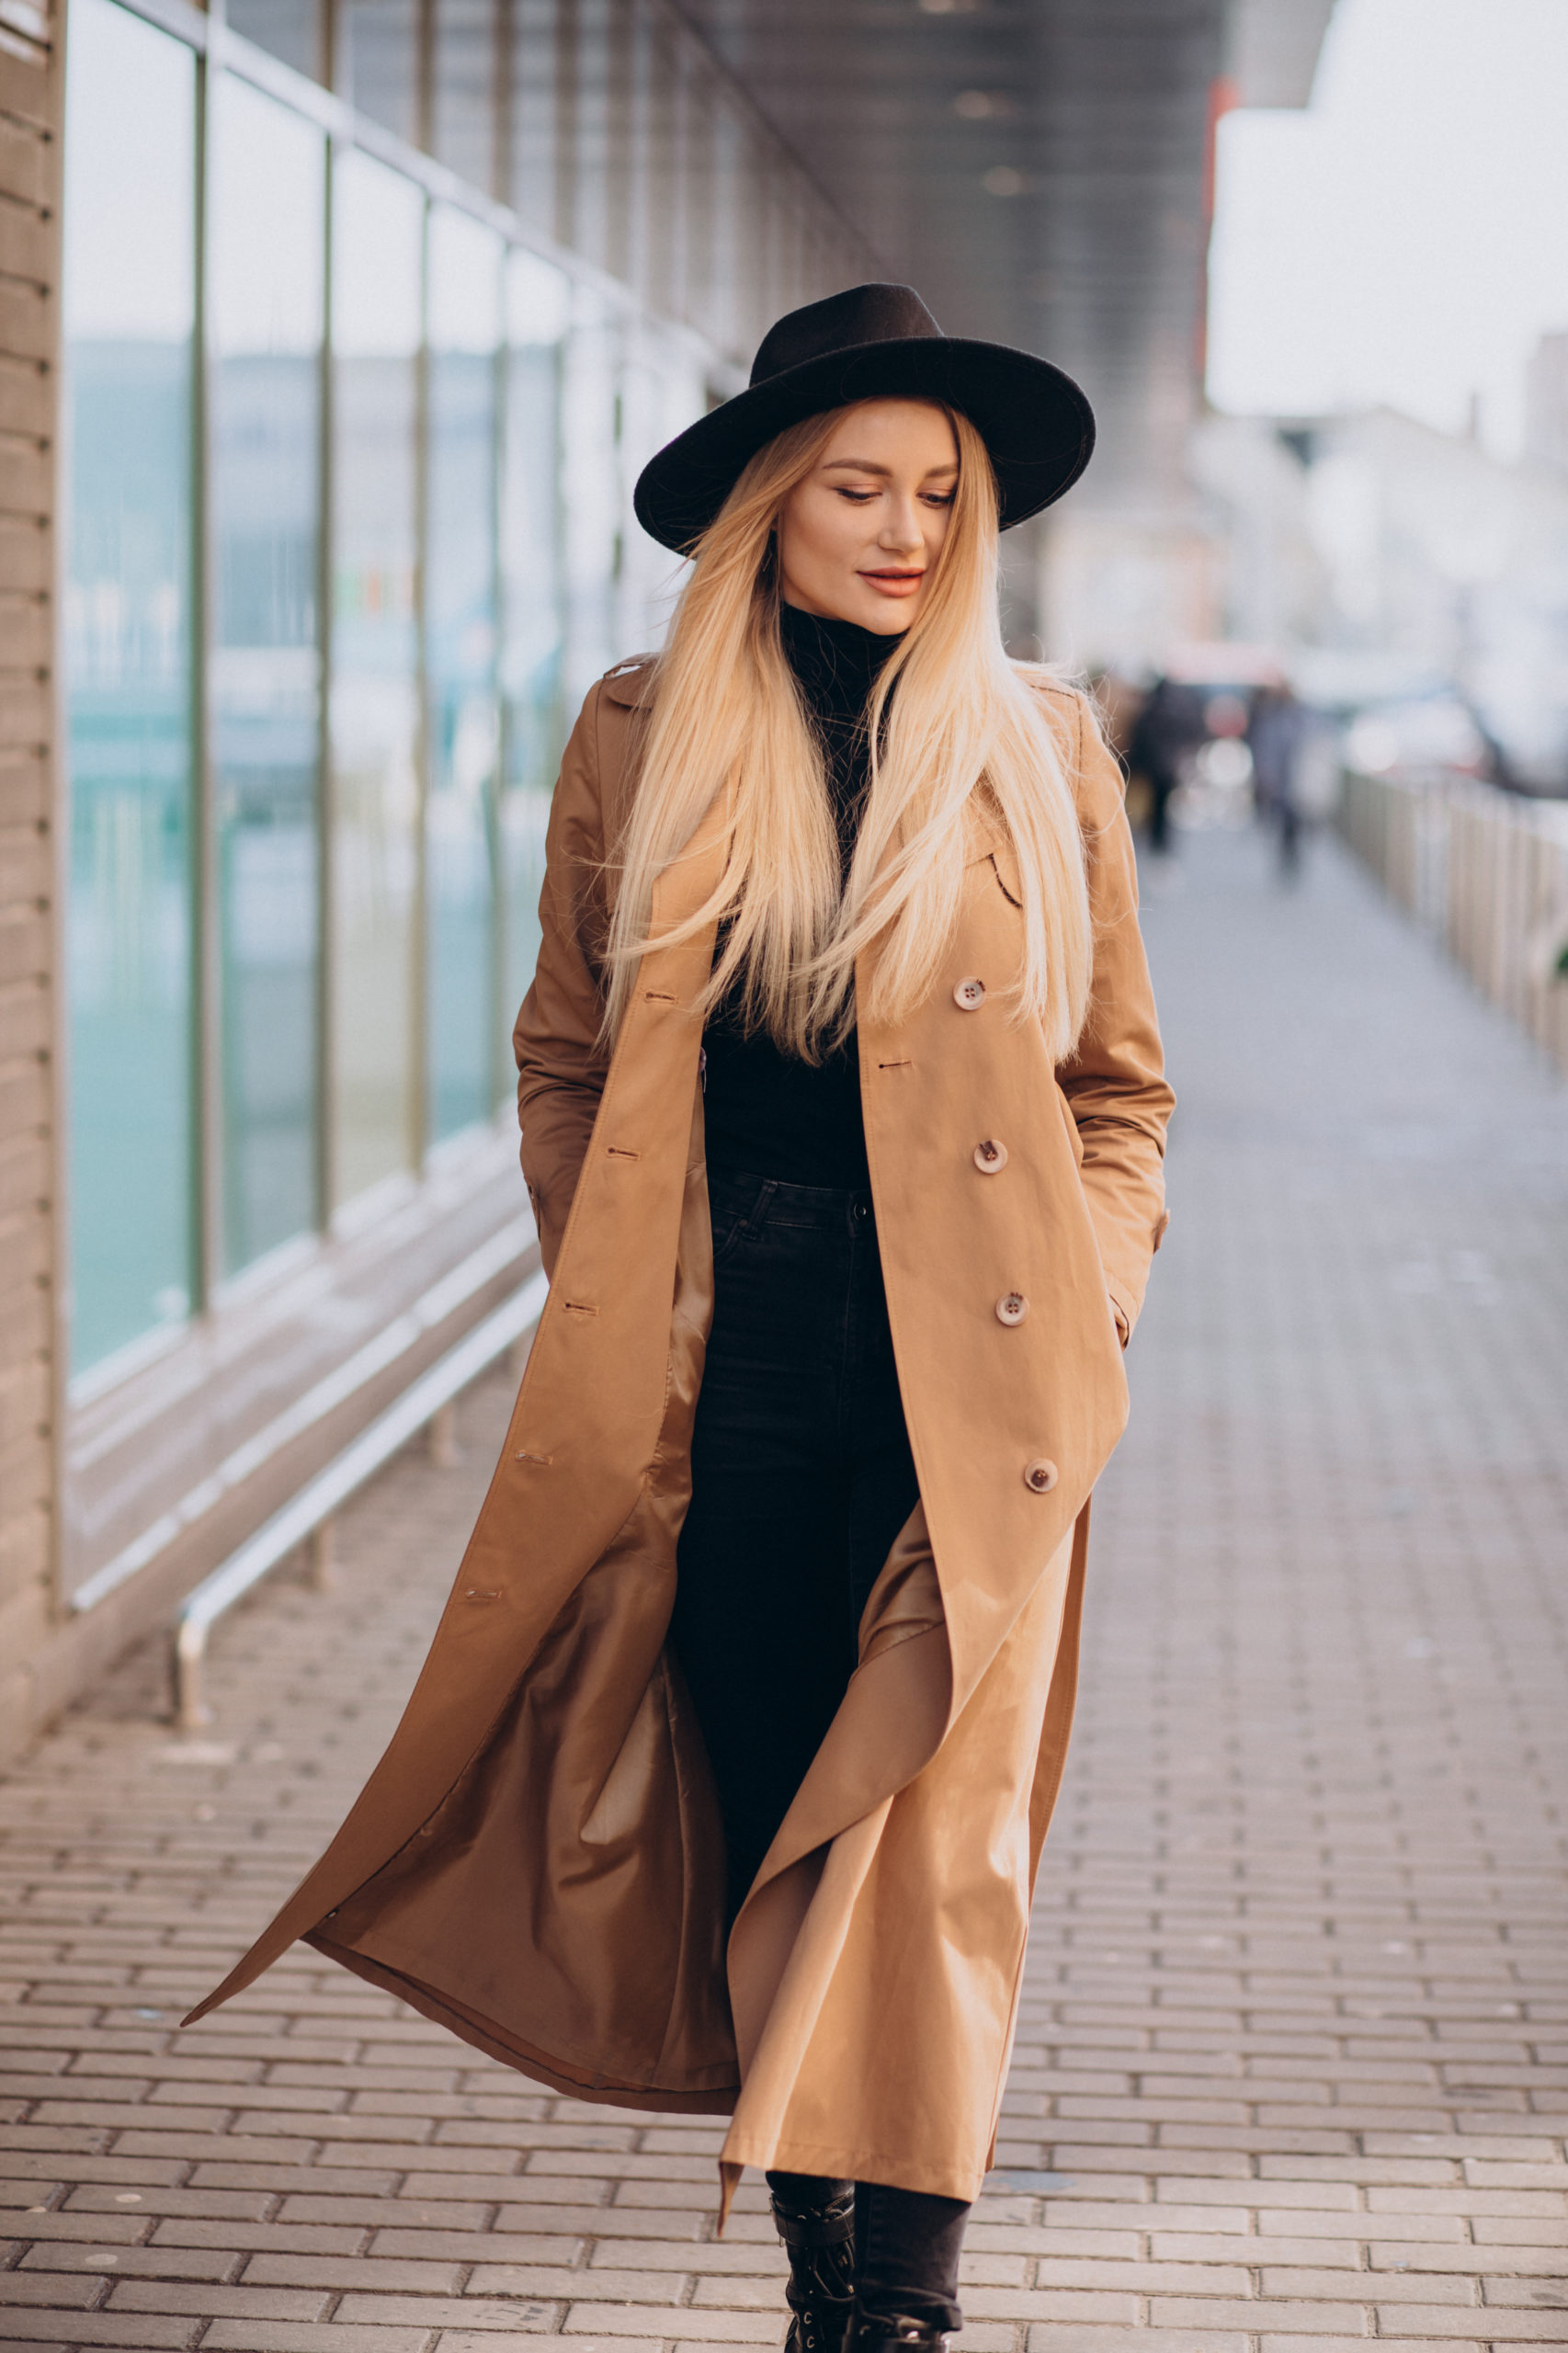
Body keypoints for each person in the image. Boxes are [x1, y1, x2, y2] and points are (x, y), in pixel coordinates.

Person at [184, 284, 1175, 2353]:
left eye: (938, 494)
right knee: (771, 1799)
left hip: (979, 1370)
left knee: (931, 1830)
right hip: (723, 1366)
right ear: (769, 501)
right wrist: (608, 1268)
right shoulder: (642, 732)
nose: (905, 531)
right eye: (859, 487)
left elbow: (1118, 1091)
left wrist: (1090, 1300)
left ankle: (900, 2303)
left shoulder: (1038, 743)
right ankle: (825, 2275)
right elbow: (564, 1052)